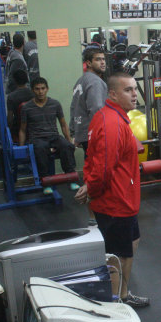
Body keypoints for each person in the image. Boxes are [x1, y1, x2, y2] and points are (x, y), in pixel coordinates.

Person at [74, 72, 150, 308]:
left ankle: (123, 293)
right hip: (115, 201)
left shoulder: (112, 117)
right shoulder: (111, 123)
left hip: (124, 199)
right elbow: (103, 168)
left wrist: (89, 184)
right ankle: (116, 304)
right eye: (128, 90)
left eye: (135, 89)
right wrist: (92, 188)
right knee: (118, 255)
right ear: (113, 94)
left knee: (132, 242)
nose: (134, 94)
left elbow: (92, 158)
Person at [19, 77, 78, 195]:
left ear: (47, 89)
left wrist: (69, 141)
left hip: (53, 136)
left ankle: (71, 179)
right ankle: (46, 183)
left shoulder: (55, 104)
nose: (40, 92)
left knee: (66, 146)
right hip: (37, 138)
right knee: (41, 148)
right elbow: (22, 129)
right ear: (32, 90)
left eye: (43, 88)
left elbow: (63, 124)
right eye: (37, 89)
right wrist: (21, 148)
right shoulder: (27, 108)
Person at [70, 47, 107, 227]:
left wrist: (75, 133)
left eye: (103, 59)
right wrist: (102, 137)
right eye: (98, 59)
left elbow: (73, 108)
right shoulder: (95, 82)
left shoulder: (81, 81)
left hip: (85, 136)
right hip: (95, 137)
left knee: (91, 174)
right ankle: (97, 218)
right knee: (97, 175)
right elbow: (97, 110)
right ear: (88, 63)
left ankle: (94, 217)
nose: (102, 62)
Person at [6, 69, 34, 141]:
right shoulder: (33, 94)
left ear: (14, 81)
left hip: (18, 129)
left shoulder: (11, 97)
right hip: (33, 128)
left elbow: (10, 119)